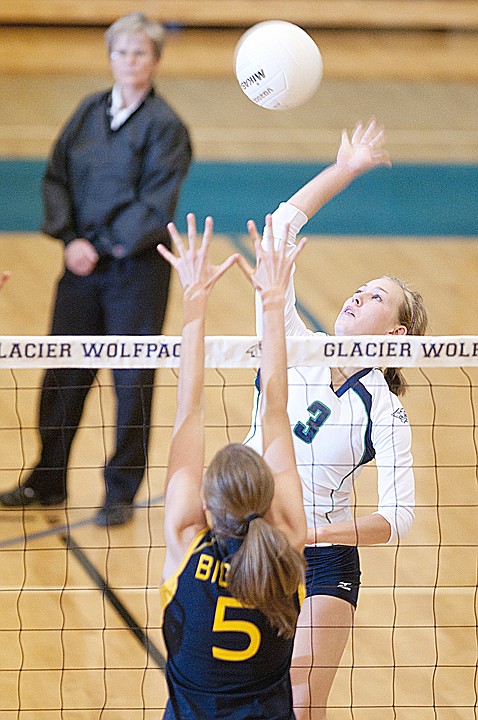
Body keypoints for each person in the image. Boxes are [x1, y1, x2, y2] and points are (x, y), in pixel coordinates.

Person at [244, 120, 429, 719]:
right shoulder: (293, 341)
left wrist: (316, 533)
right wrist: (344, 169)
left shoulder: (386, 410)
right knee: (231, 689)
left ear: (396, 333)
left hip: (321, 550)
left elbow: (395, 518)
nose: (356, 296)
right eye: (359, 289)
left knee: (300, 696)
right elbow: (279, 229)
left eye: (375, 297)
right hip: (246, 533)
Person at [0, 12, 192, 526]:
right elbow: (55, 176)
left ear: (155, 61)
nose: (130, 61)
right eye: (121, 52)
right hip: (80, 268)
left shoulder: (167, 128)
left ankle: (120, 492)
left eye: (140, 53)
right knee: (63, 372)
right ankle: (47, 481)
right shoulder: (87, 112)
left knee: (131, 382)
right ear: (109, 57)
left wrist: (101, 246)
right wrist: (70, 239)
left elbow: (155, 206)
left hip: (135, 274)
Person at [158, 212, 307, 719]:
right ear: (269, 500)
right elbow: (278, 408)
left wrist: (193, 298)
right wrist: (272, 300)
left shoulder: (186, 539)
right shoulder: (287, 545)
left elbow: (188, 409)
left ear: (203, 504)